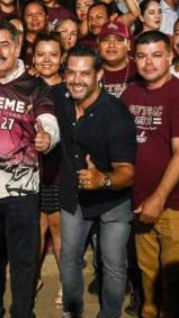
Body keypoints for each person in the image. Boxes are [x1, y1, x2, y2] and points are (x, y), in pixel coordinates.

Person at [0, 22, 59, 318]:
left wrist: (48, 138)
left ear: (17, 46)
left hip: (22, 191)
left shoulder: (36, 86)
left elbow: (49, 121)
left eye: (4, 44)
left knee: (23, 259)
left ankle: (22, 311)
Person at [120, 32, 179, 318]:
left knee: (172, 277)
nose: (149, 62)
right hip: (138, 199)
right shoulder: (130, 93)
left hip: (174, 203)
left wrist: (159, 197)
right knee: (147, 271)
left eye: (156, 55)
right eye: (142, 56)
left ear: (170, 56)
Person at [54, 46, 136, 318]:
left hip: (113, 199)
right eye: (71, 73)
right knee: (69, 260)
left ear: (99, 75)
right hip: (75, 197)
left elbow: (127, 172)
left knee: (113, 265)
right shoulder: (60, 97)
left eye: (85, 73)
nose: (76, 80)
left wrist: (102, 180)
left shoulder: (116, 114)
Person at [31, 32, 65, 307]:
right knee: (35, 227)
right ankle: (32, 278)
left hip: (59, 169)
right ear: (33, 57)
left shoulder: (69, 90)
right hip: (29, 170)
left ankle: (66, 282)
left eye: (53, 54)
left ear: (62, 58)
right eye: (41, 54)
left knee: (57, 226)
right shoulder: (25, 87)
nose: (46, 60)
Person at [98, 20, 137, 98]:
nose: (111, 45)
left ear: (128, 45)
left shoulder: (139, 70)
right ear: (98, 45)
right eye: (105, 40)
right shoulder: (91, 71)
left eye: (118, 39)